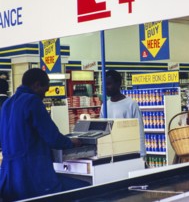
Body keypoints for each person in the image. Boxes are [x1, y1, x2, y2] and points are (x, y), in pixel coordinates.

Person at [0, 68, 89, 201]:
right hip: (33, 175)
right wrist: (71, 142)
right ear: (36, 85)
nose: (44, 95)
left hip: (9, 175)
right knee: (85, 190)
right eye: (45, 90)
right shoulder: (32, 101)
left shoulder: (7, 104)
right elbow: (52, 137)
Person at [100, 70, 146, 158]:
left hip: (129, 151)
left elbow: (139, 130)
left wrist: (142, 154)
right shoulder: (104, 106)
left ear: (118, 84)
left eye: (109, 84)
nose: (106, 87)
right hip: (111, 153)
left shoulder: (131, 104)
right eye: (104, 84)